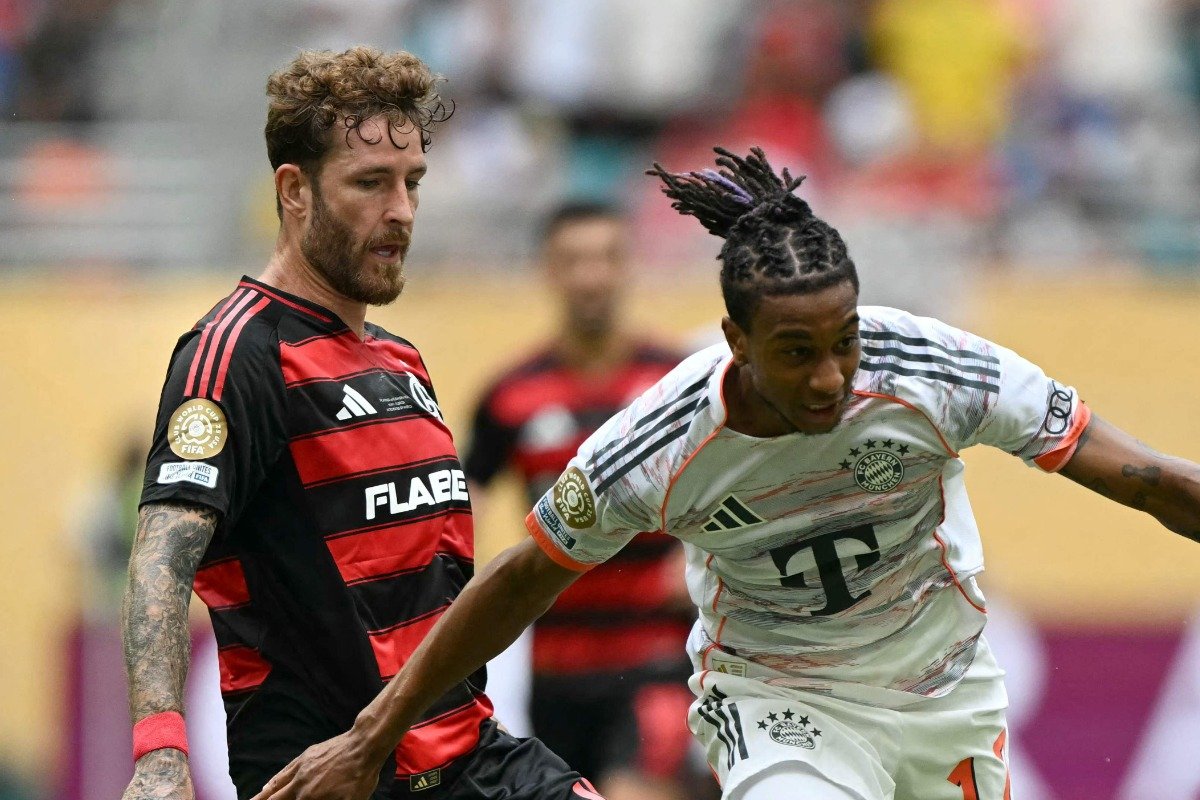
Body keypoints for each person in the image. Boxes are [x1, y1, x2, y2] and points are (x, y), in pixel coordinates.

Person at [250, 146, 1200, 800]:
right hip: (778, 699)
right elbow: (522, 575)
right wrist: (376, 732)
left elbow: (1145, 477)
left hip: (944, 689)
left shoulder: (934, 372)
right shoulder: (659, 439)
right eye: (796, 353)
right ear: (735, 341)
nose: (831, 377)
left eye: (844, 340)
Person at [121, 46, 604, 800]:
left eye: (413, 182)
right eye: (370, 183)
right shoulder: (236, 351)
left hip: (474, 759)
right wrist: (159, 753)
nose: (402, 211)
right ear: (295, 191)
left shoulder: (400, 364)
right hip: (331, 777)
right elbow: (161, 558)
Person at [463, 202, 705, 800]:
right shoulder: (510, 395)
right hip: (557, 669)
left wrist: (701, 555)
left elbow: (739, 484)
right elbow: (459, 512)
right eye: (574, 260)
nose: (591, 275)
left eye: (606, 258)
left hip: (656, 658)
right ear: (548, 270)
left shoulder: (677, 382)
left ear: (628, 267)